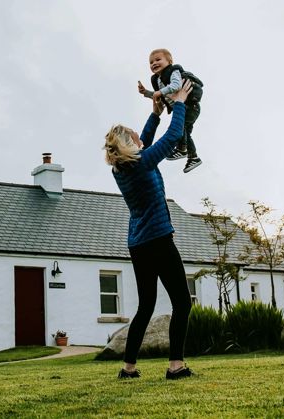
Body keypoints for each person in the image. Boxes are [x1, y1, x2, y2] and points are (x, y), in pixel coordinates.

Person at [103, 79, 194, 380]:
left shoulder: (122, 167)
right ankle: (175, 365)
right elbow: (170, 140)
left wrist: (154, 114)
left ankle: (128, 368)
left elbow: (143, 140)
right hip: (157, 240)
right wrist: (179, 102)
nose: (139, 140)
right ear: (130, 146)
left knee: (146, 306)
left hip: (138, 243)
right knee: (182, 302)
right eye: (134, 138)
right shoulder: (141, 163)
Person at [137, 48, 204, 173]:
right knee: (185, 132)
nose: (154, 64)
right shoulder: (157, 80)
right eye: (151, 62)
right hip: (181, 108)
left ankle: (183, 150)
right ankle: (192, 156)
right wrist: (145, 92)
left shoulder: (173, 71)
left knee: (181, 128)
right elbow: (160, 95)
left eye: (158, 60)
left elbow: (176, 86)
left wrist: (160, 92)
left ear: (169, 61)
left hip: (190, 106)